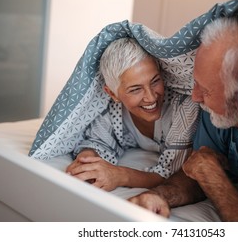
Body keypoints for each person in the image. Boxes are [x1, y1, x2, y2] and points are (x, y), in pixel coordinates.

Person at [128, 16, 238, 221]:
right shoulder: (217, 115)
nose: (195, 97)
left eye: (205, 91)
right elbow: (198, 170)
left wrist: (213, 176)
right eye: (195, 83)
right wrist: (158, 195)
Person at [66, 37, 200, 192]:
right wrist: (87, 160)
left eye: (155, 81)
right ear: (113, 94)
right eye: (136, 89)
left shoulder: (184, 106)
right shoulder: (110, 107)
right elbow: (98, 143)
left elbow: (170, 173)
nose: (151, 97)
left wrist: (120, 175)